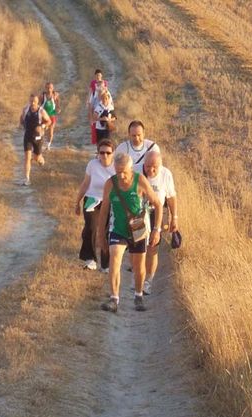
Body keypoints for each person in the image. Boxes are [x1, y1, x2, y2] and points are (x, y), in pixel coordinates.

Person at [96, 153, 163, 313]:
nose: (121, 175)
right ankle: (114, 299)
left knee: (138, 265)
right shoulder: (110, 184)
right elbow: (104, 211)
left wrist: (156, 229)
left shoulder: (140, 181)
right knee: (115, 259)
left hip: (138, 229)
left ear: (131, 169)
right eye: (118, 171)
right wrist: (100, 235)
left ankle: (138, 296)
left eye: (124, 172)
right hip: (117, 229)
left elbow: (158, 204)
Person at [134, 150, 178, 295]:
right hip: (139, 213)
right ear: (143, 164)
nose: (151, 170)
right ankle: (138, 279)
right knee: (138, 248)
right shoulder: (135, 170)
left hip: (157, 213)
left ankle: (148, 281)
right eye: (148, 167)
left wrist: (174, 217)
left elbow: (171, 197)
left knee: (152, 247)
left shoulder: (166, 174)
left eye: (155, 167)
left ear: (160, 165)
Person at [75, 139, 116, 272]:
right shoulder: (92, 164)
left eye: (108, 153)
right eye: (101, 152)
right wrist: (77, 201)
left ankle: (106, 264)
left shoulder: (117, 166)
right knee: (91, 227)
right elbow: (85, 183)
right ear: (97, 153)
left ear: (113, 153)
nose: (104, 156)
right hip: (91, 198)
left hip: (108, 201)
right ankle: (90, 259)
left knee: (106, 230)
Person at [20, 94, 52, 186]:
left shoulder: (41, 111)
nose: (32, 103)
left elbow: (49, 121)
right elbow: (22, 118)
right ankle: (26, 179)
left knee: (36, 157)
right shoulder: (25, 109)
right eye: (31, 101)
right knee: (27, 157)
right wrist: (22, 124)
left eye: (34, 101)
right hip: (28, 136)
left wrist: (42, 126)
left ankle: (40, 160)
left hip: (38, 137)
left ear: (37, 102)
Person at [87, 69, 109, 145]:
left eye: (99, 75)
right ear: (95, 76)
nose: (98, 77)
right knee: (94, 118)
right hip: (95, 99)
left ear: (101, 76)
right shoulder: (93, 83)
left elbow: (106, 91)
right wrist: (88, 100)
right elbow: (90, 92)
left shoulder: (105, 82)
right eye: (97, 75)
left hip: (103, 99)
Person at [40, 82, 61, 150]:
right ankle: (41, 143)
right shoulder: (42, 96)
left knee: (51, 132)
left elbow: (58, 104)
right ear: (45, 88)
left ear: (53, 88)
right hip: (44, 117)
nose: (49, 89)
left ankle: (48, 145)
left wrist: (58, 108)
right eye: (47, 88)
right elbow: (39, 105)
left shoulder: (55, 95)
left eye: (50, 88)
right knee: (43, 131)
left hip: (52, 115)